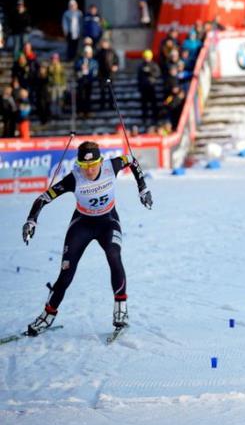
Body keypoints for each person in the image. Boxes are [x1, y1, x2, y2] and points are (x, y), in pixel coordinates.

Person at [21, 141, 152, 336]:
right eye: (84, 166)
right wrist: (31, 221)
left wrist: (143, 188)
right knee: (66, 274)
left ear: (100, 161)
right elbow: (43, 198)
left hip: (108, 222)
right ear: (78, 165)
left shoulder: (111, 166)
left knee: (114, 256)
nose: (89, 170)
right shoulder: (74, 179)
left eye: (93, 165)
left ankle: (121, 309)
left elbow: (132, 161)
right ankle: (47, 316)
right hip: (82, 225)